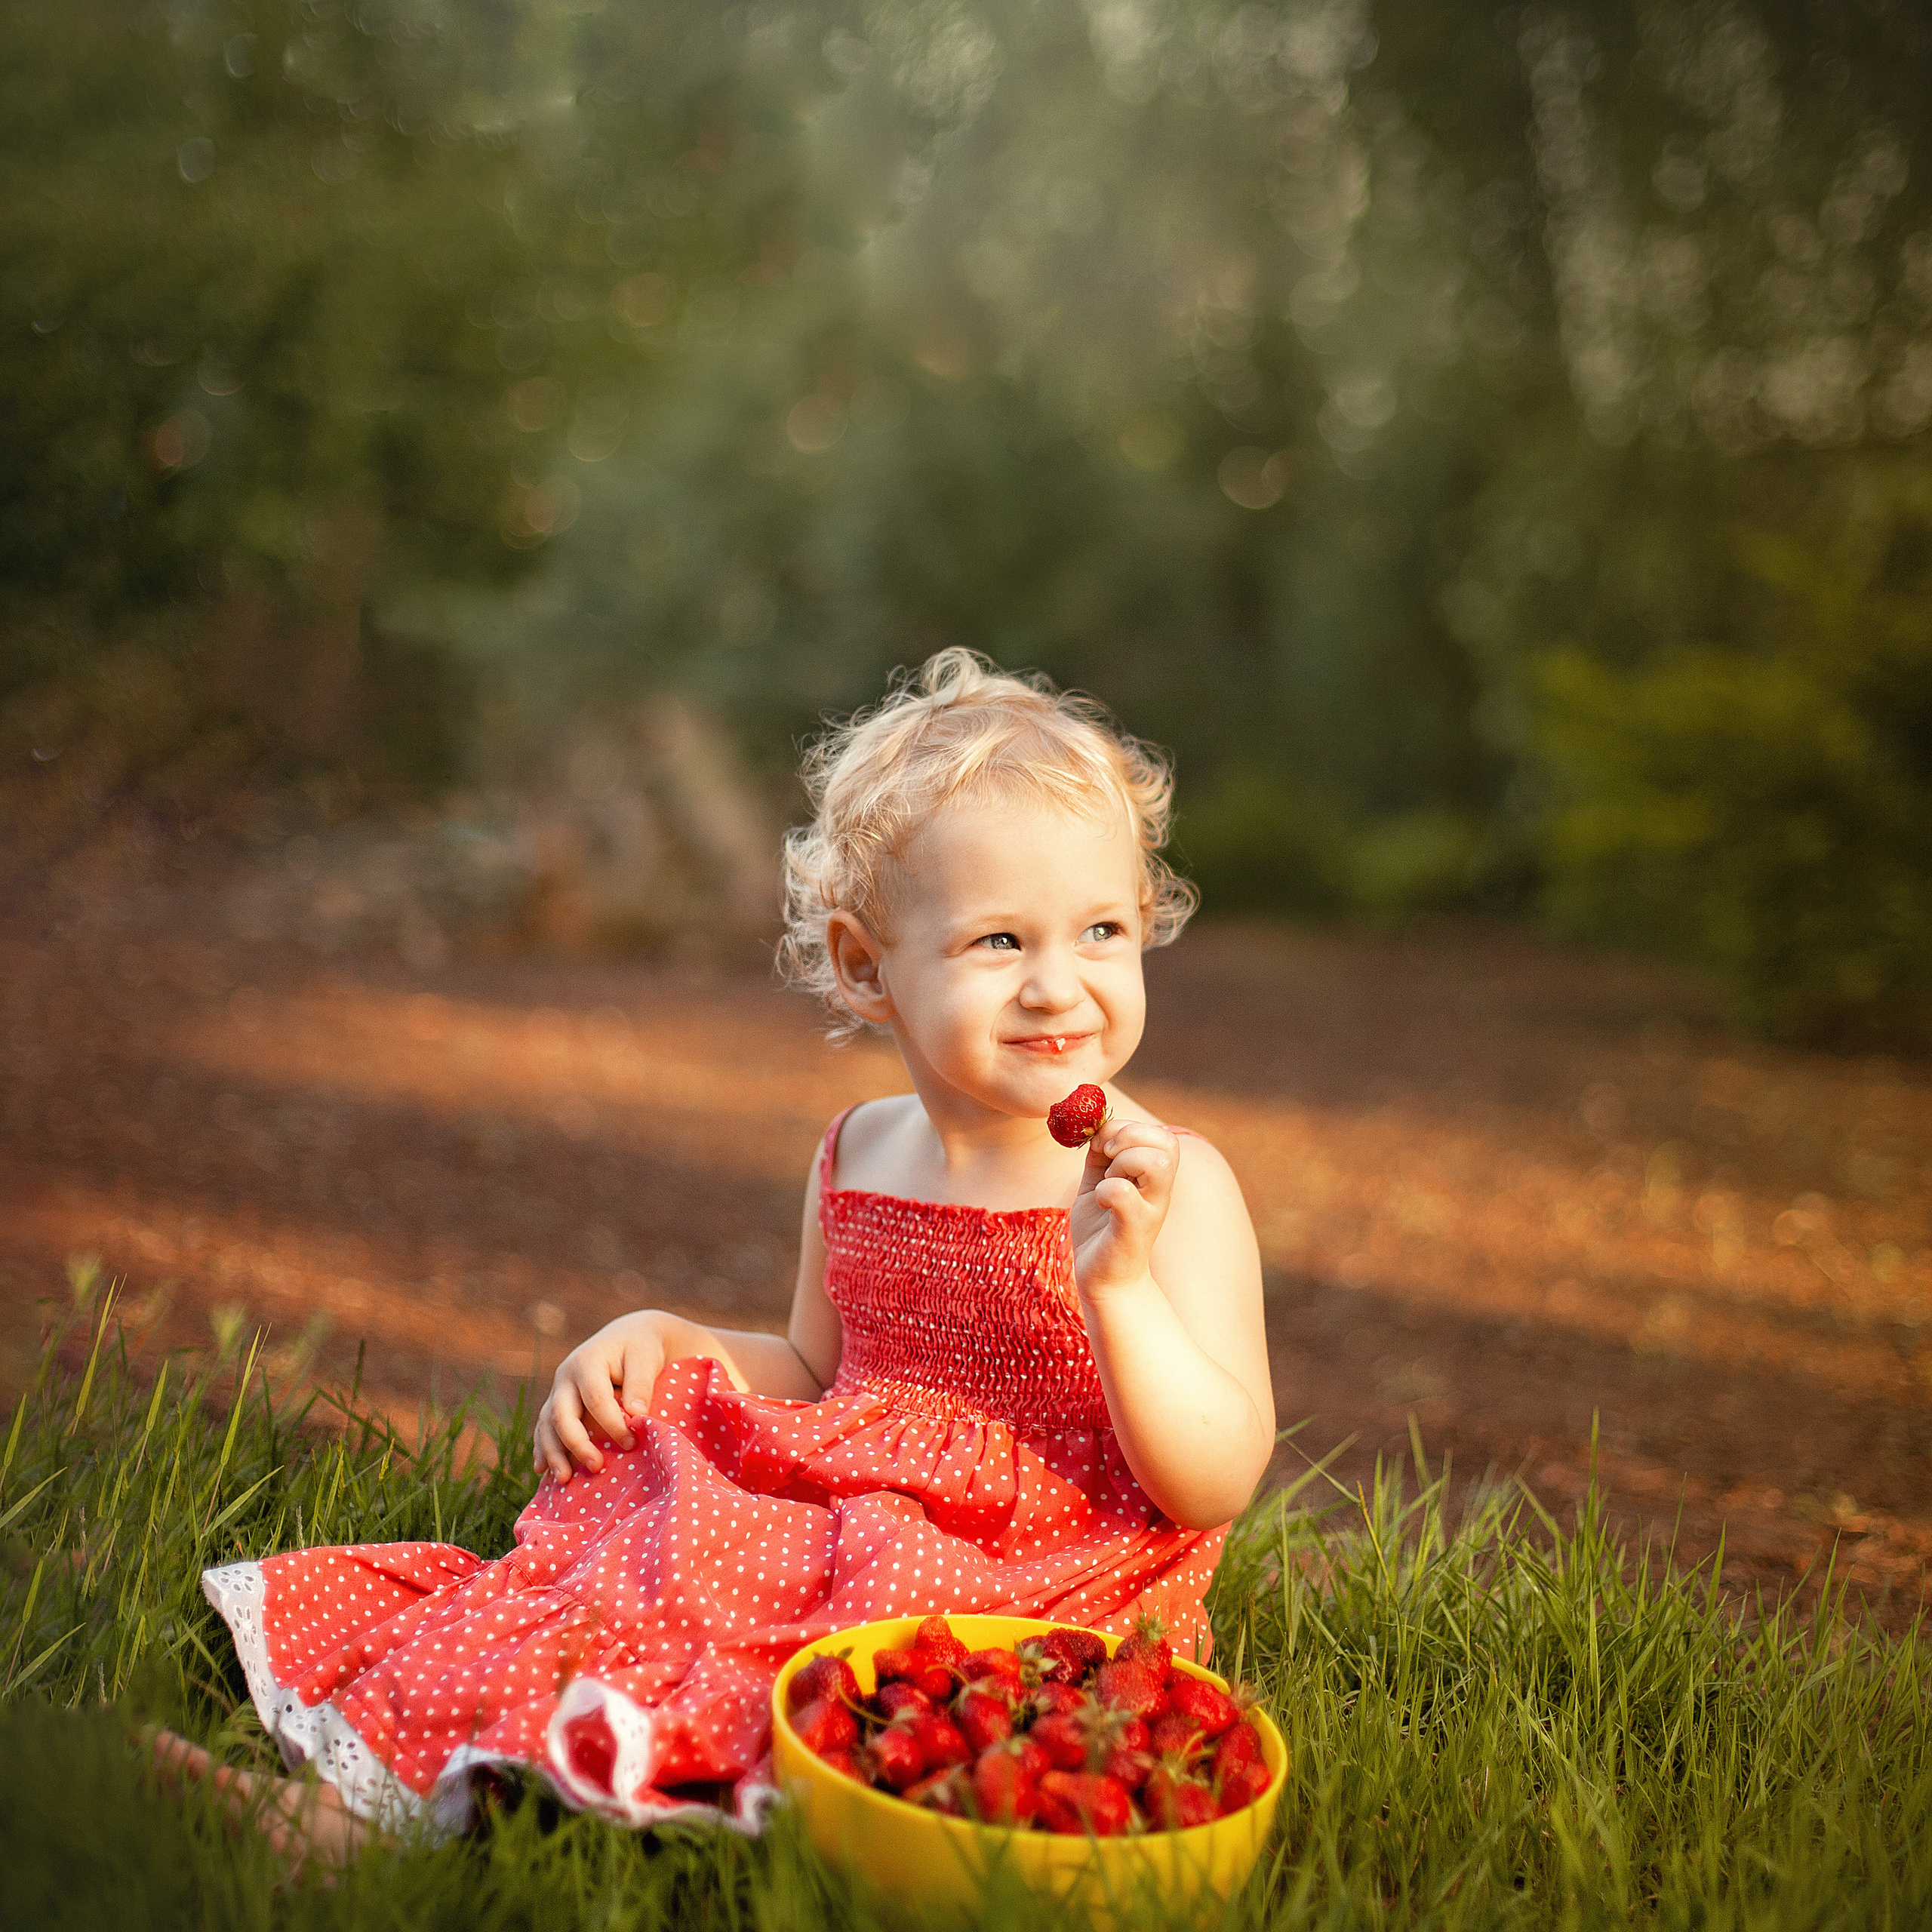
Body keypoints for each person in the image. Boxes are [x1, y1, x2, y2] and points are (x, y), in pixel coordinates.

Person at [169, 647, 1273, 1856]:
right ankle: (397, 1781)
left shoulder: (1166, 1184)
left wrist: (1116, 1290)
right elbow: (819, 1373)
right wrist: (673, 1338)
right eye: (1000, 943)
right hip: (867, 1505)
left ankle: (410, 1824)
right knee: (650, 1537)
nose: (1061, 987)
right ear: (867, 968)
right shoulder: (857, 1152)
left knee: (794, 1607)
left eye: (1102, 929)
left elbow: (1211, 1483)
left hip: (1047, 1565)